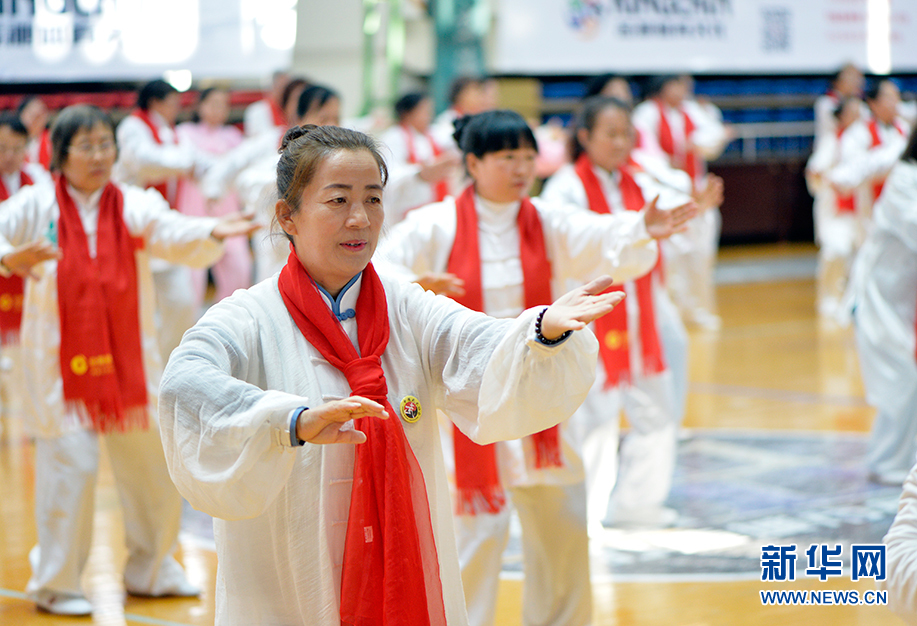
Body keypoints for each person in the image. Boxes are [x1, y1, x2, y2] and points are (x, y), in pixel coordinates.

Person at [158, 123, 625, 626]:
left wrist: (538, 331)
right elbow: (186, 381)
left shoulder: (404, 308)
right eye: (338, 201)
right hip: (291, 568)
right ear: (287, 216)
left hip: (399, 545)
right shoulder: (250, 316)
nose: (360, 219)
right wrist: (288, 419)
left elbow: (474, 343)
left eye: (374, 200)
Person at [376, 109, 694, 626]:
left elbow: (599, 235)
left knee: (562, 525)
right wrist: (417, 287)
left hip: (538, 397)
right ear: (474, 163)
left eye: (528, 157)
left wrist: (639, 227)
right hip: (466, 403)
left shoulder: (545, 219)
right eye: (508, 158)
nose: (522, 168)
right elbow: (382, 267)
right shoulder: (436, 224)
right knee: (474, 535)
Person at [0, 104, 257, 616]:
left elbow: (169, 230)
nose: (99, 156)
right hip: (58, 369)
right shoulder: (34, 203)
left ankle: (153, 568)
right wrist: (9, 258)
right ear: (60, 154)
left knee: (149, 468)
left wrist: (210, 231)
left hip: (130, 363)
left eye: (106, 145)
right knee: (70, 467)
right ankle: (57, 583)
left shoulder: (132, 204)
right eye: (87, 146)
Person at [541, 96, 704, 530]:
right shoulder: (565, 188)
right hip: (592, 317)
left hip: (642, 317)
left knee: (659, 412)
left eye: (626, 133)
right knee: (594, 421)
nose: (620, 142)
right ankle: (588, 516)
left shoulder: (640, 182)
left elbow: (677, 211)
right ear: (584, 137)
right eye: (610, 133)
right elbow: (565, 251)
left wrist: (695, 204)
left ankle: (638, 506)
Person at [114, 79, 210, 364]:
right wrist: (185, 163)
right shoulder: (132, 127)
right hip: (131, 229)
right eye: (172, 103)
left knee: (181, 304)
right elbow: (144, 162)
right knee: (135, 309)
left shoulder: (171, 132)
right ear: (156, 103)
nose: (177, 109)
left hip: (164, 226)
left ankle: (170, 362)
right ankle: (136, 365)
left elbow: (195, 160)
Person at [632, 74, 732, 330]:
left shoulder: (691, 110)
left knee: (702, 256)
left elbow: (715, 137)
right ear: (663, 86)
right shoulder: (647, 112)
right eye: (677, 84)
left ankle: (699, 310)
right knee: (672, 259)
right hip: (666, 193)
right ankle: (672, 314)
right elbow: (648, 152)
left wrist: (696, 142)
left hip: (698, 192)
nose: (683, 90)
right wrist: (671, 160)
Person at [849, 126, 917, 486]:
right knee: (901, 381)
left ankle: (901, 460)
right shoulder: (905, 180)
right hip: (880, 299)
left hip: (905, 300)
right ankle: (887, 464)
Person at [177, 87, 251, 311]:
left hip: (226, 206)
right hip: (193, 206)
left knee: (239, 266)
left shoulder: (234, 136)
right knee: (191, 274)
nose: (219, 109)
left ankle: (227, 321)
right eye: (213, 103)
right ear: (200, 106)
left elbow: (240, 166)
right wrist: (221, 165)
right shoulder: (185, 132)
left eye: (224, 104)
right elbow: (190, 161)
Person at [0, 113, 50, 426]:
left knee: (27, 350)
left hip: (28, 275)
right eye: (3, 148)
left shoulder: (39, 180)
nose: (9, 156)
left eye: (17, 148)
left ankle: (26, 414)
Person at [805, 96, 863, 323]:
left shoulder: (865, 138)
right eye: (853, 111)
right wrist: (823, 175)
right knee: (835, 251)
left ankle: (853, 302)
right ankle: (829, 300)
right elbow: (816, 169)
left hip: (863, 209)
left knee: (860, 259)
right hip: (836, 209)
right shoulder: (832, 140)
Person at [379, 92, 461, 227]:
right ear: (407, 114)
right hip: (404, 214)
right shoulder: (394, 137)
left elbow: (453, 142)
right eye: (424, 111)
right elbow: (388, 177)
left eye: (430, 112)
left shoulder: (432, 134)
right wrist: (419, 174)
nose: (428, 116)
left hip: (434, 209)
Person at [813, 64, 865, 151]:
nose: (856, 83)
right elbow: (841, 124)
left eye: (858, 79)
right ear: (838, 81)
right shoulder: (825, 103)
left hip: (853, 149)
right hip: (829, 150)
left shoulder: (861, 105)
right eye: (852, 78)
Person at [243, 70, 290, 138]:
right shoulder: (256, 110)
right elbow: (256, 140)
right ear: (272, 88)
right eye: (281, 87)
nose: (285, 92)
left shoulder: (291, 108)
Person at [16, 95, 52, 170]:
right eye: (32, 115)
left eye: (40, 116)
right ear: (21, 114)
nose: (36, 121)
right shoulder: (12, 139)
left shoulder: (52, 139)